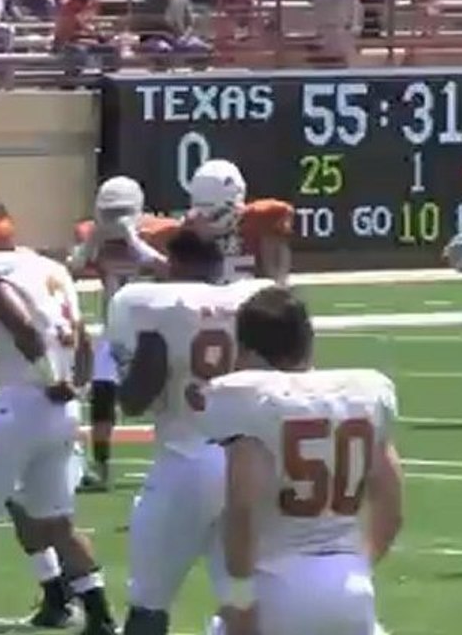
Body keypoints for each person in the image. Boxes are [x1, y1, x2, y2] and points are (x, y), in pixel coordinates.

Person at [0, 200, 116, 635]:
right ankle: (101, 615)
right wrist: (75, 386)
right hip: (61, 410)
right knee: (55, 522)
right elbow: (78, 339)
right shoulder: (46, 269)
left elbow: (22, 328)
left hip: (22, 403)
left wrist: (50, 376)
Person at [202, 286, 403, 635]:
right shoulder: (363, 394)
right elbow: (392, 505)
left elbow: (243, 506)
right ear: (308, 341)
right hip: (350, 588)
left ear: (247, 350)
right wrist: (357, 566)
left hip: (277, 588)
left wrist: (242, 598)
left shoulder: (251, 400)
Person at [107, 227, 272, 635]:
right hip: (245, 462)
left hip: (185, 460)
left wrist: (124, 367)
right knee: (242, 599)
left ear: (176, 262)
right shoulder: (251, 302)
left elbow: (135, 399)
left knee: (149, 602)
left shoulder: (160, 307)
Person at [68, 176, 176, 492]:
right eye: (108, 212)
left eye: (119, 212)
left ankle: (171, 464)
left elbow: (171, 271)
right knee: (101, 395)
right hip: (115, 327)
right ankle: (100, 466)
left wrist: (136, 243)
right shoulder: (93, 236)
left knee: (168, 399)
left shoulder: (161, 233)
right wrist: (90, 245)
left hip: (157, 330)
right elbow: (70, 272)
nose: (113, 219)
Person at [185, 159, 293, 284]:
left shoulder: (260, 222)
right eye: (204, 212)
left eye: (219, 213)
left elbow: (278, 283)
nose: (211, 220)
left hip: (254, 301)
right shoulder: (185, 232)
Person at [132, 0, 210, 56]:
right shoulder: (148, 0)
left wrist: (185, 37)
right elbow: (143, 27)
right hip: (157, 39)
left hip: (180, 38)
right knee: (162, 49)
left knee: (202, 48)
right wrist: (163, 33)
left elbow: (190, 24)